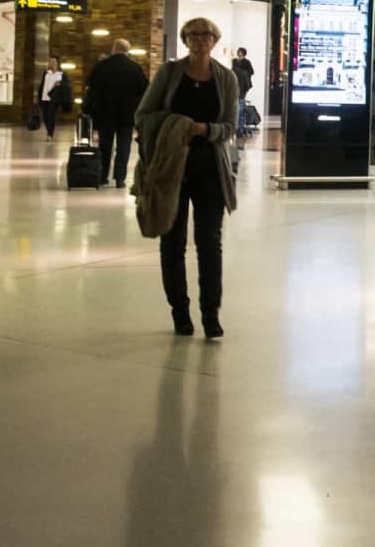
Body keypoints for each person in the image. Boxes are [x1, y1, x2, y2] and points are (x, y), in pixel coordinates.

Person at [134, 17, 239, 340]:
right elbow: (143, 115)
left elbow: (231, 127)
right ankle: (180, 312)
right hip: (171, 168)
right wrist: (178, 124)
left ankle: (211, 314)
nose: (200, 39)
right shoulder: (169, 73)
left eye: (205, 34)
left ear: (214, 39)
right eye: (193, 35)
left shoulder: (227, 78)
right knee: (173, 241)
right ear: (185, 40)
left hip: (210, 168)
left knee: (210, 242)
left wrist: (206, 130)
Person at [86, 39, 149, 189]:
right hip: (127, 114)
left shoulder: (101, 67)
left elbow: (91, 87)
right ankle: (120, 178)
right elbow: (145, 90)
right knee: (124, 146)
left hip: (105, 112)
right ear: (128, 50)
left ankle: (102, 176)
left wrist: (91, 108)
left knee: (104, 145)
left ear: (114, 49)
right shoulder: (135, 68)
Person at [38, 56, 71, 139]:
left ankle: (50, 134)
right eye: (50, 62)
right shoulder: (46, 73)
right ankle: (49, 131)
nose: (51, 64)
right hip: (44, 97)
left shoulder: (61, 74)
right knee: (45, 116)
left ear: (57, 63)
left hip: (54, 98)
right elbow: (42, 85)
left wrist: (60, 84)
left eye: (53, 62)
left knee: (50, 115)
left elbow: (67, 85)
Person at [230, 47, 255, 136]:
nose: (239, 54)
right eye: (239, 53)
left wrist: (243, 74)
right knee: (238, 108)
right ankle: (238, 129)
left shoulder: (246, 63)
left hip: (242, 86)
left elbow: (251, 72)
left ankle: (239, 129)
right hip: (237, 86)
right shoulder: (235, 61)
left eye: (241, 53)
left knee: (241, 108)